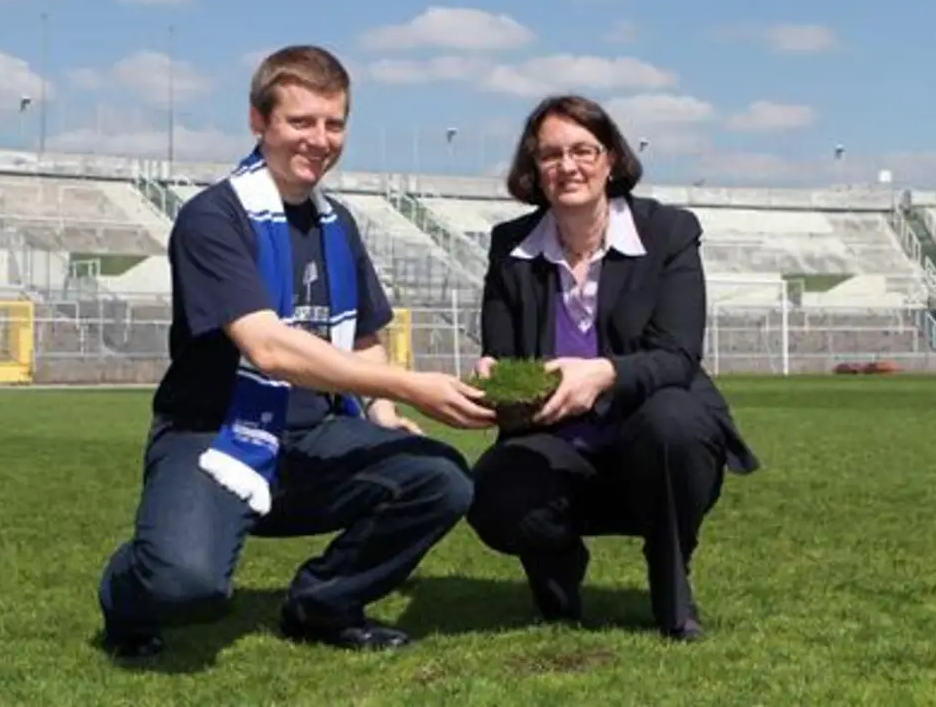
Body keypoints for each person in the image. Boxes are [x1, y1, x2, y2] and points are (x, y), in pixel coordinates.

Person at [96, 45, 497, 665]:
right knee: (186, 584)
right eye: (300, 121)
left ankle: (323, 605)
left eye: (334, 123)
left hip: (313, 436)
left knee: (439, 478)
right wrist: (415, 385)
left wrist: (384, 411)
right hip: (213, 433)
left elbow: (364, 334)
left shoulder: (337, 223)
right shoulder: (214, 218)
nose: (320, 138)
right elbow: (267, 347)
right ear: (260, 123)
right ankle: (132, 580)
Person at [465, 94, 761, 642]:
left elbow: (677, 356)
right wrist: (494, 376)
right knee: (493, 491)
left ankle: (670, 580)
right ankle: (557, 566)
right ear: (533, 168)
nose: (567, 166)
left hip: (651, 441)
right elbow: (504, 357)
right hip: (557, 444)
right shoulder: (510, 246)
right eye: (550, 155)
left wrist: (600, 373)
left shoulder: (668, 233)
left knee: (674, 420)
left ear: (611, 159)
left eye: (583, 150)